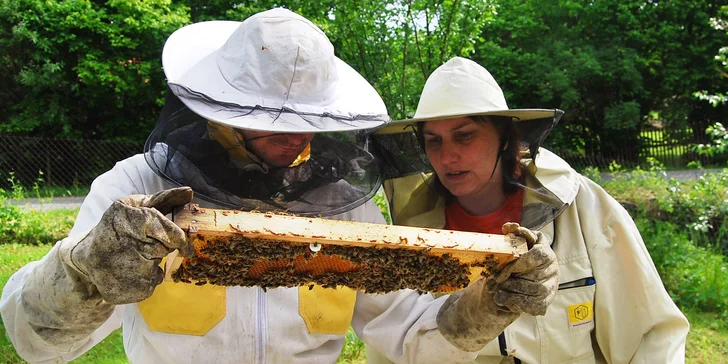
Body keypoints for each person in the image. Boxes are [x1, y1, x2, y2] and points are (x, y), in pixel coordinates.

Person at [0, 10, 557, 364]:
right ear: (218, 107)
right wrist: (83, 271)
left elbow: (409, 337)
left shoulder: (350, 206)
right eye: (267, 115)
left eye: (305, 115)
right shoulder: (137, 188)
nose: (292, 134)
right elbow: (37, 342)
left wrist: (484, 308)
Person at [365, 57, 690, 363]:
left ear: (506, 139)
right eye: (434, 141)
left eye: (464, 136)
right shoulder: (411, 236)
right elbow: (395, 348)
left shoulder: (584, 208)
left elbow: (652, 337)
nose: (447, 157)